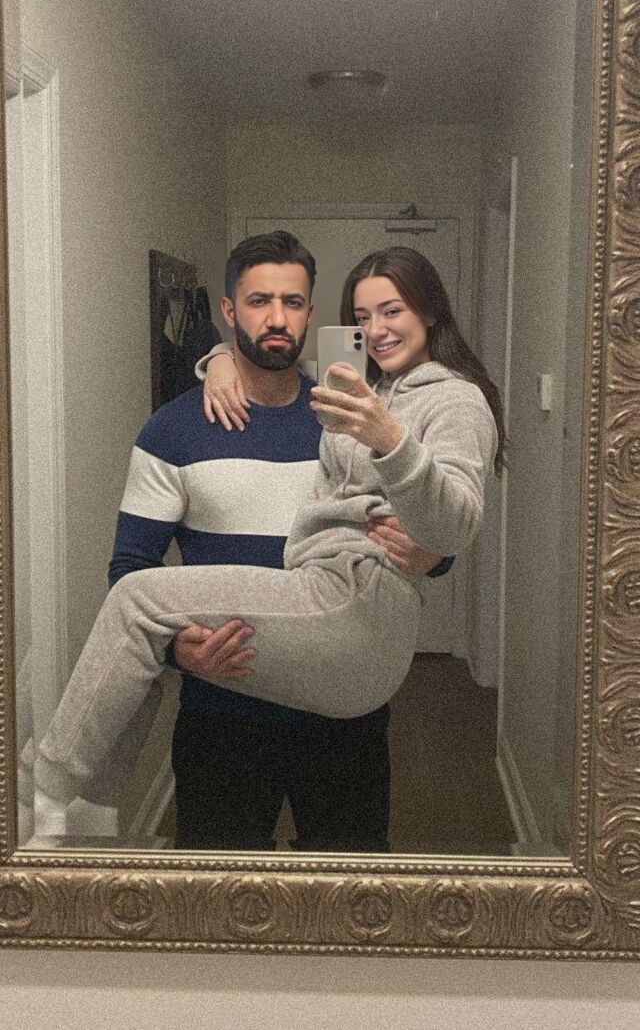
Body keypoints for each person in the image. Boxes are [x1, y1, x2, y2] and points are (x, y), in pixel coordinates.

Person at [32, 240, 504, 839]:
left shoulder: (340, 411)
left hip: (340, 712)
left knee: (347, 875)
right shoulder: (175, 428)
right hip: (225, 715)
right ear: (229, 312)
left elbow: (434, 520)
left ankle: (43, 792)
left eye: (293, 302)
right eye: (259, 302)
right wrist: (179, 651)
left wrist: (433, 555)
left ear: (310, 316)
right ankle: (77, 805)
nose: (277, 318)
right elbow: (130, 563)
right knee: (219, 876)